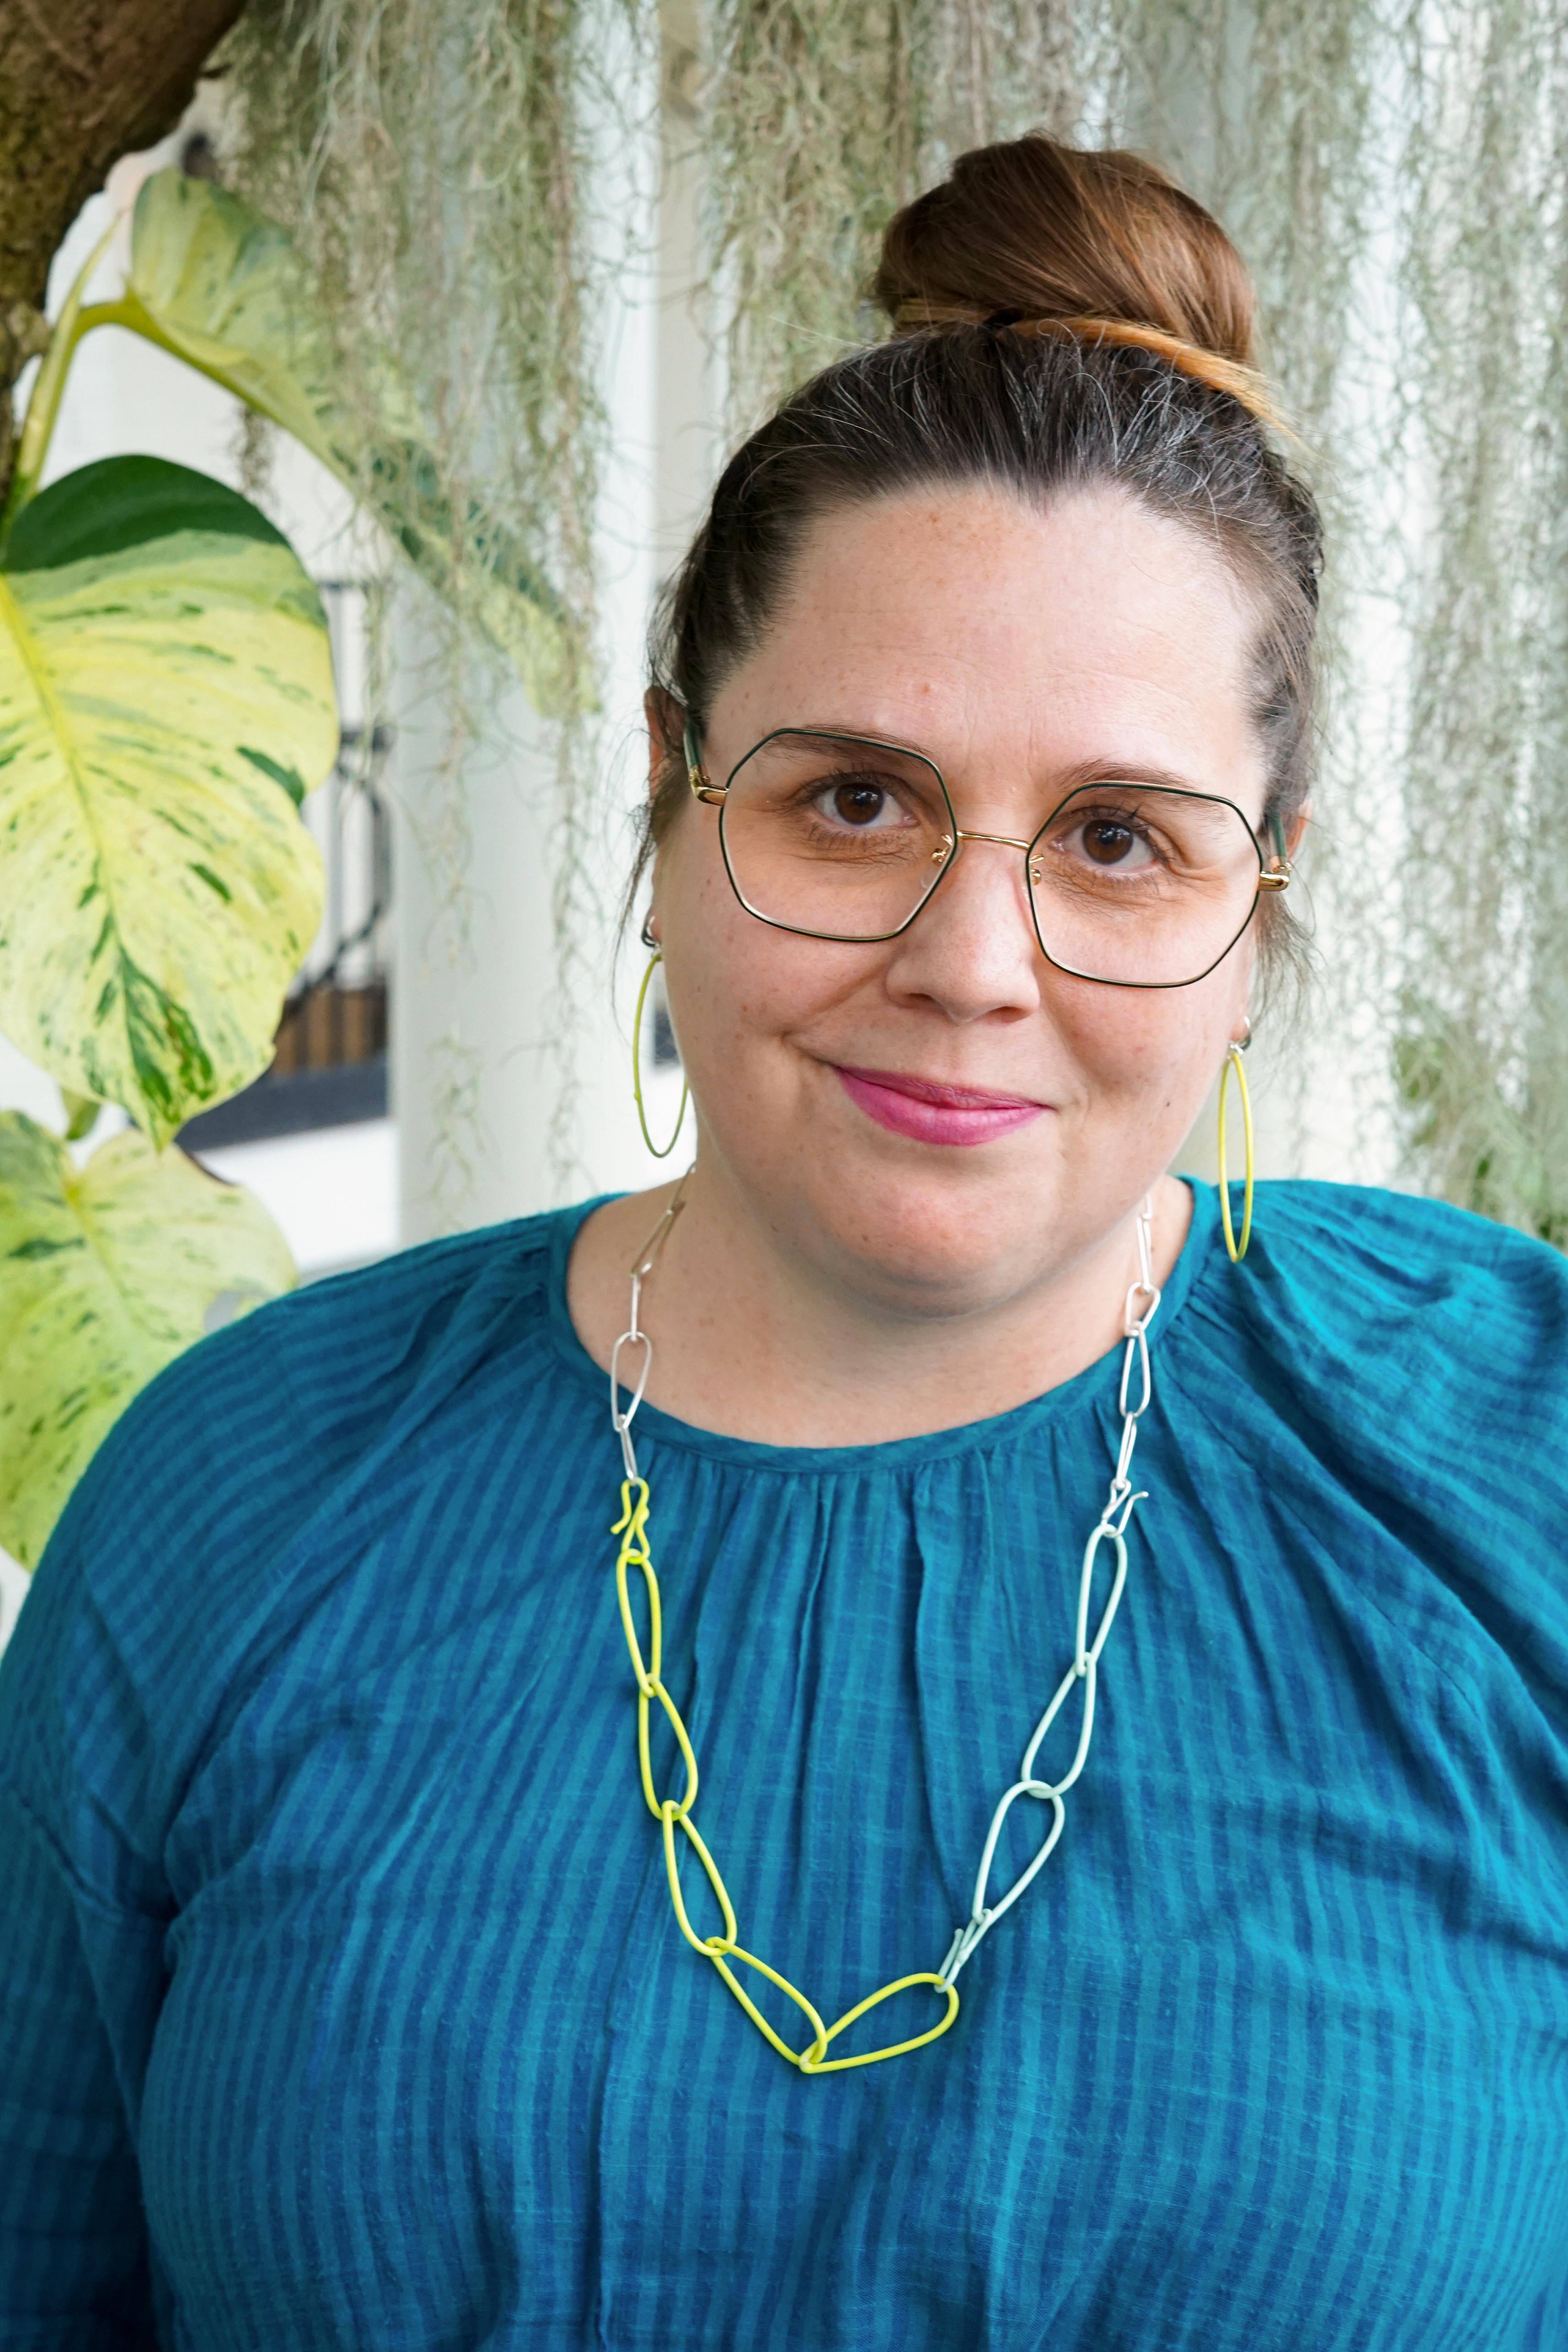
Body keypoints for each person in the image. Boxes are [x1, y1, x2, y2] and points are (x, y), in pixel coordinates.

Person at [1, 132, 1565, 2352]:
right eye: (854, 798)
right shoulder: (235, 1508)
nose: (973, 961)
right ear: (668, 799)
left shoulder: (1520, 1468)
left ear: (1261, 901)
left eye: (1120, 838)